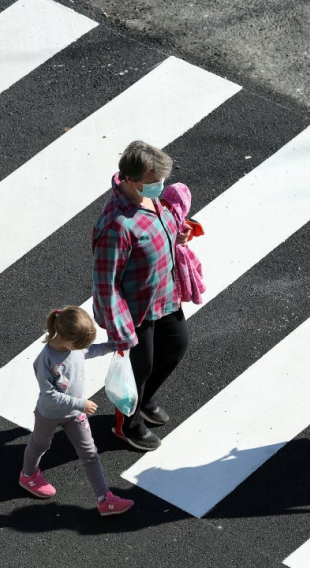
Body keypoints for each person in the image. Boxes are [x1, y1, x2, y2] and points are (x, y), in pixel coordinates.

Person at [92, 141, 191, 451]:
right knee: (140, 367)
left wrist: (178, 231)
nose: (159, 187)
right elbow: (106, 283)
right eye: (153, 182)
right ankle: (127, 424)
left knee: (176, 345)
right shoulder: (116, 225)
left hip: (164, 294)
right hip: (135, 310)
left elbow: (159, 224)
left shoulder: (150, 199)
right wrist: (121, 331)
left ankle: (144, 398)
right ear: (131, 180)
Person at [20, 306, 134, 516]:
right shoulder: (45, 360)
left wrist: (114, 345)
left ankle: (104, 499)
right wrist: (80, 404)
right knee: (40, 444)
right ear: (62, 336)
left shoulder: (75, 347)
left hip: (74, 414)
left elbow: (90, 351)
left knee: (90, 453)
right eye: (79, 344)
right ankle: (28, 475)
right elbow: (49, 395)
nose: (82, 348)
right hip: (49, 413)